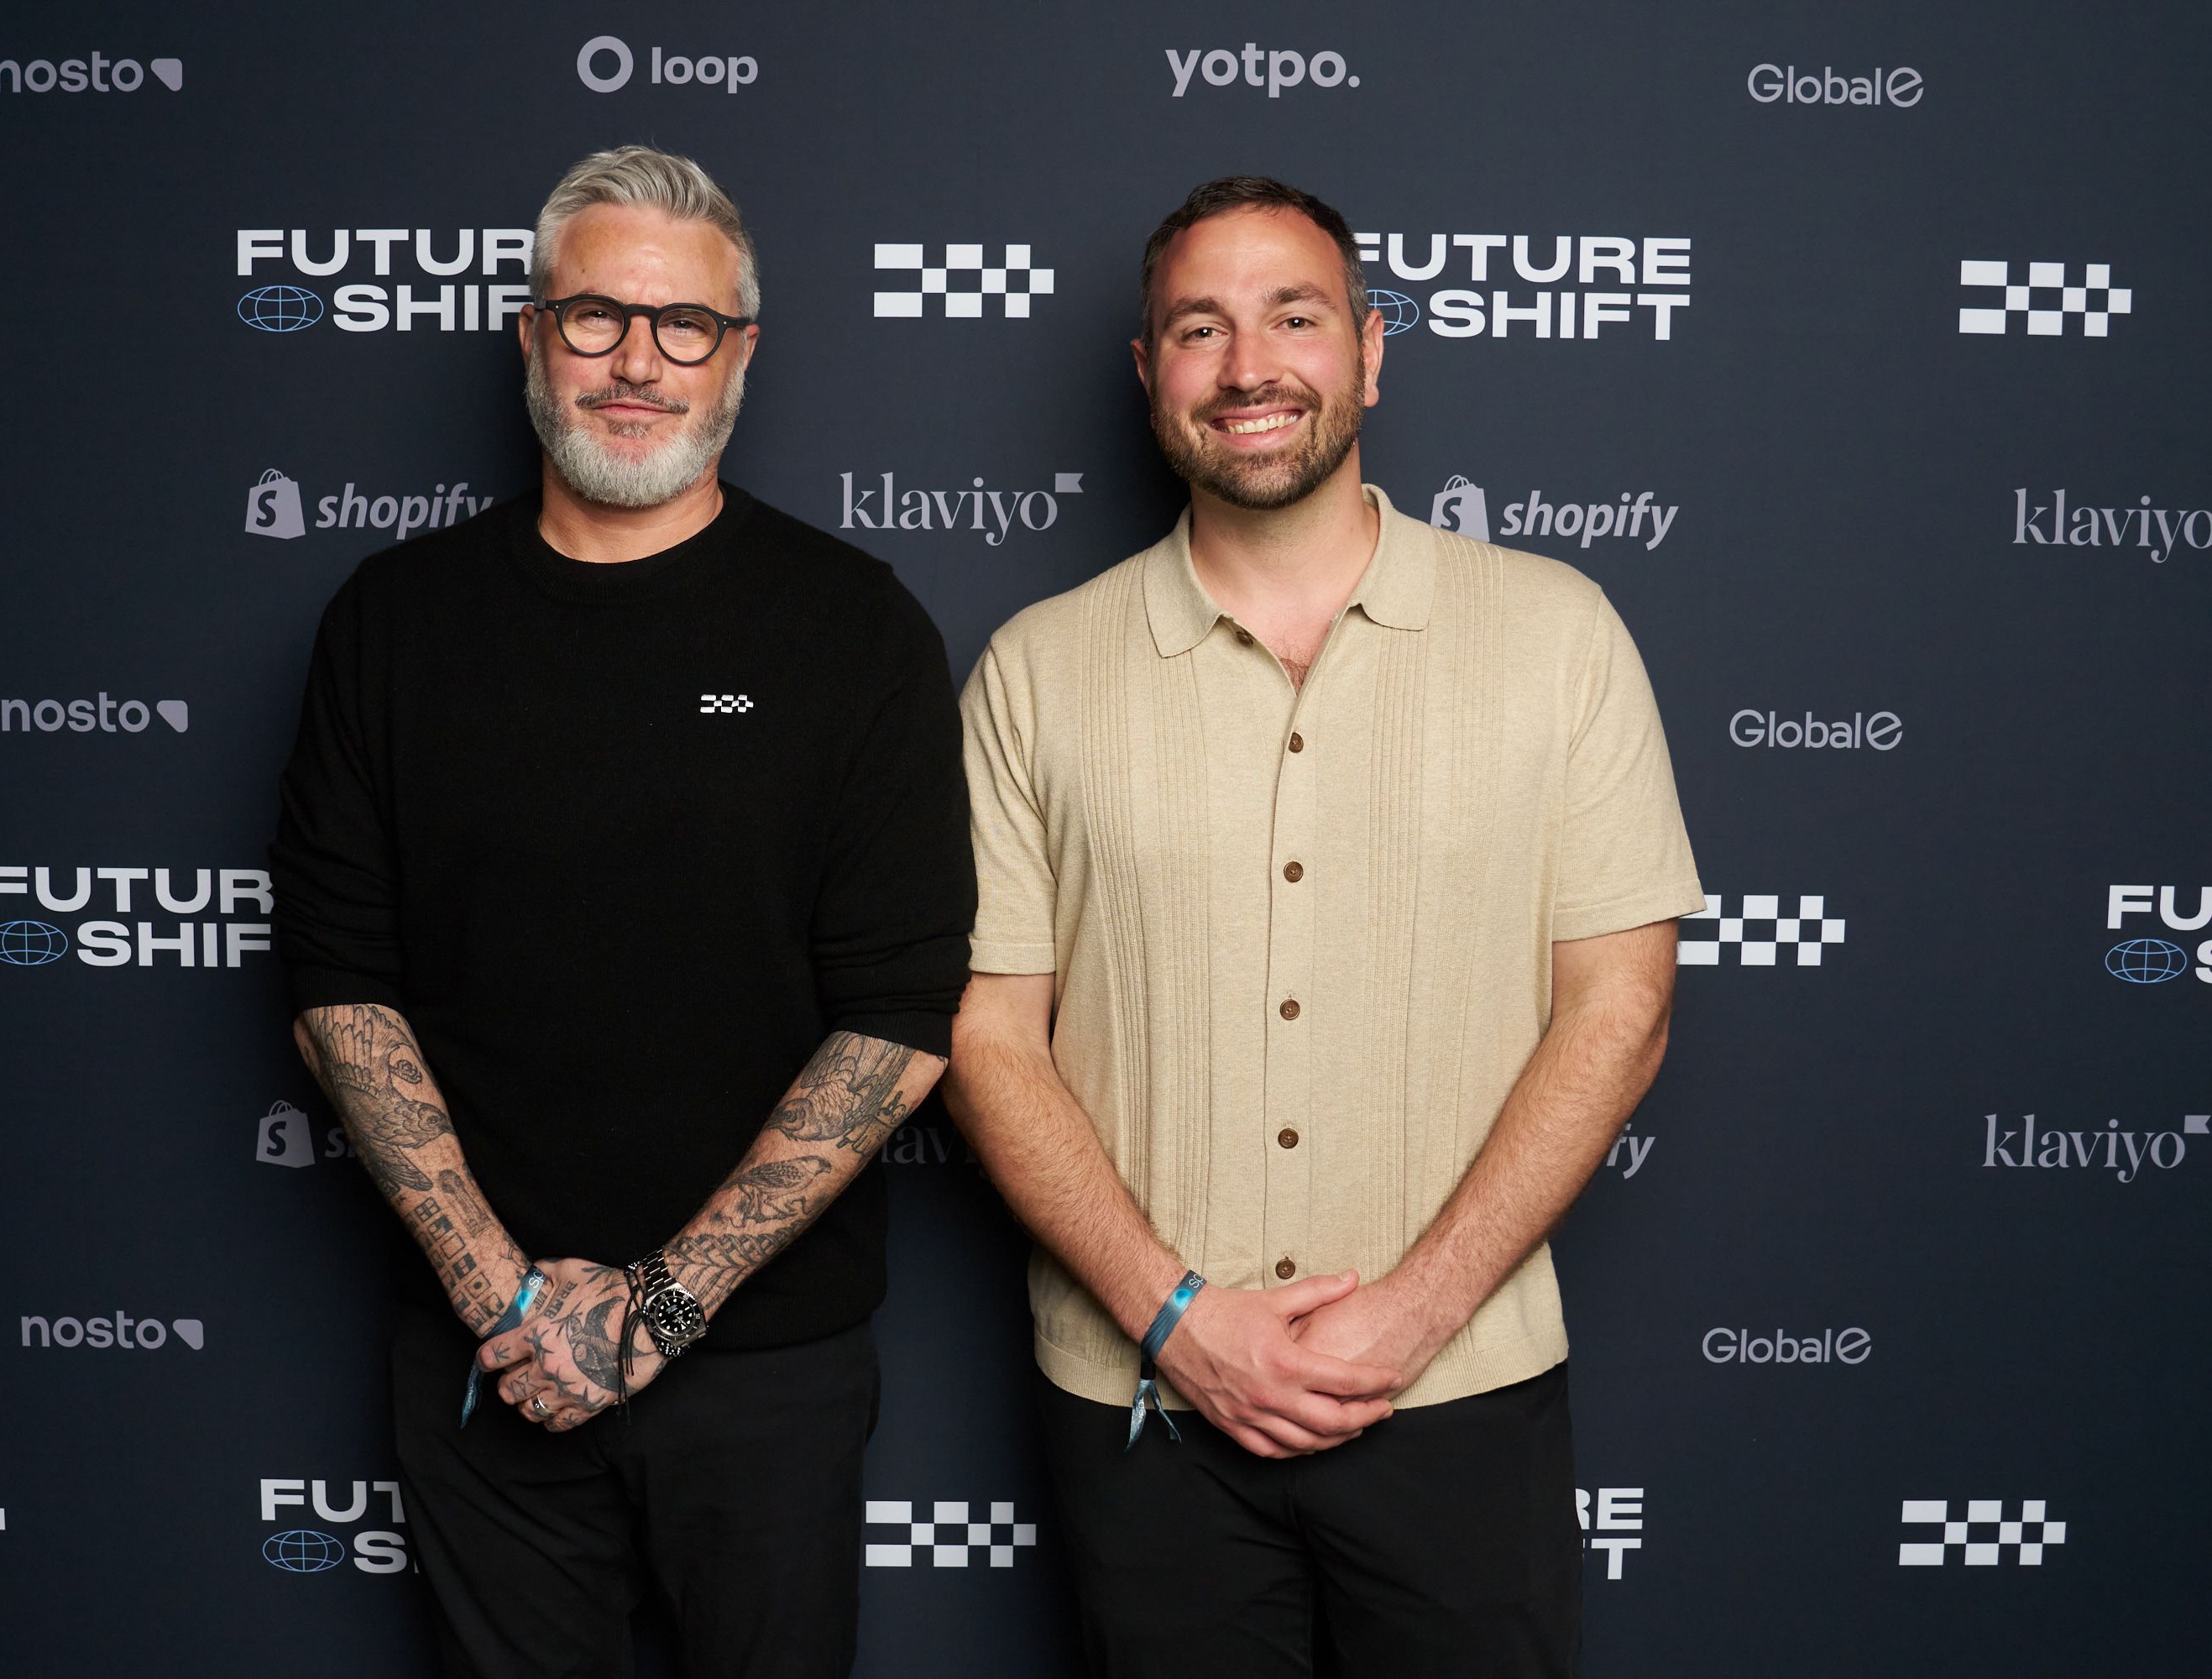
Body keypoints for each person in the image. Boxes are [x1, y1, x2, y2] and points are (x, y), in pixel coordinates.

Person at [944, 175, 1703, 1677]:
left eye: (1294, 317)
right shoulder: (1034, 671)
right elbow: (983, 1037)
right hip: (1143, 1404)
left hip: (1462, 1392)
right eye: (1198, 328)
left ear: (1370, 352)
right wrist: (1177, 1316)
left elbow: (1620, 1009)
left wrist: (1409, 1319)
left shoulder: (1559, 634)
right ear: (1148, 372)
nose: (1248, 368)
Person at [269, 144, 974, 1679]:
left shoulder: (854, 629)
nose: (637, 362)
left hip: (768, 1363)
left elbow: (900, 1014)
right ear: (530, 335)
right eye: (594, 317)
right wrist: (510, 1298)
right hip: (485, 1355)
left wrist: (654, 1307)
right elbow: (337, 980)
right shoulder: (393, 622)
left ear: (741, 357)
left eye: (684, 327)